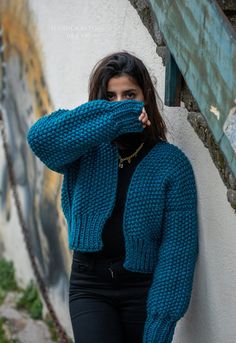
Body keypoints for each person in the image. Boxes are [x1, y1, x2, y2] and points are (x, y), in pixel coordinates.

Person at [26, 51, 199, 343]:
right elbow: (41, 138)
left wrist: (160, 324)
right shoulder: (84, 149)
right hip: (89, 284)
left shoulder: (171, 163)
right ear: (98, 101)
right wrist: (114, 116)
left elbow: (177, 254)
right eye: (110, 96)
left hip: (141, 289)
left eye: (130, 95)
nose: (120, 103)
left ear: (146, 98)